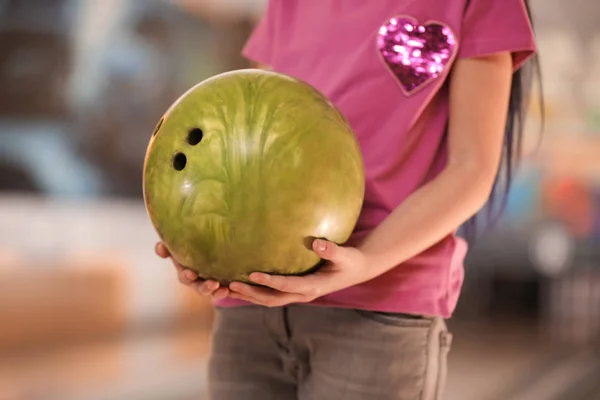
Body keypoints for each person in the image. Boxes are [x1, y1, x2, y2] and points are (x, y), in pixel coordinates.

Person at [155, 0, 542, 398]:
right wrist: (208, 250)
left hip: (379, 313)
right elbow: (253, 141)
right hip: (251, 309)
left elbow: (472, 169)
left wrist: (366, 260)